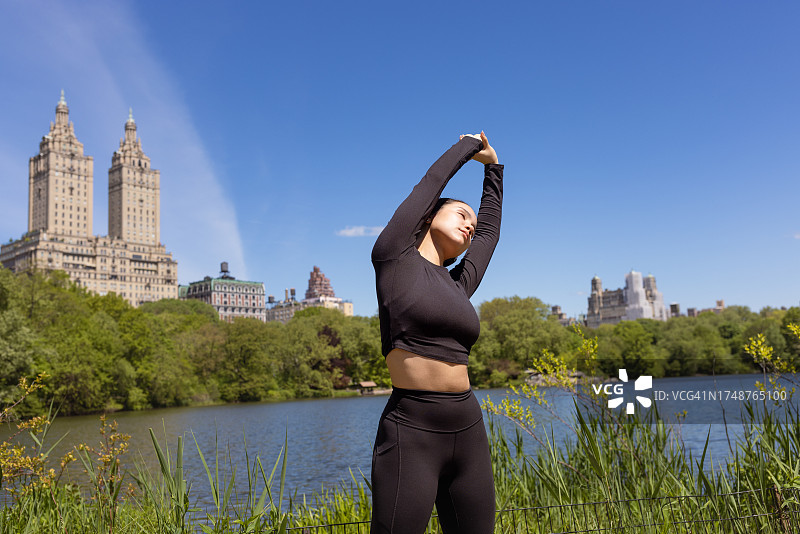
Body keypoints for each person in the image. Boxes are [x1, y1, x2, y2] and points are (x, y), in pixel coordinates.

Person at [370, 131, 503, 534]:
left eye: (471, 222)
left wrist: (494, 172)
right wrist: (471, 147)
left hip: (467, 424)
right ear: (429, 216)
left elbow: (489, 235)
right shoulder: (394, 257)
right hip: (412, 427)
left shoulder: (458, 284)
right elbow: (430, 184)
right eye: (460, 214)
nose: (469, 226)